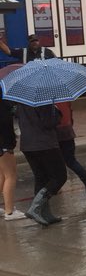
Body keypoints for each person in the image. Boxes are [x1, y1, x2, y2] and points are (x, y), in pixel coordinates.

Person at [17, 102, 67, 225]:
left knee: (41, 178)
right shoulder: (42, 99)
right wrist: (57, 112)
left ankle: (45, 214)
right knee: (59, 176)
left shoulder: (22, 99)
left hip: (28, 144)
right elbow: (49, 122)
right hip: (44, 144)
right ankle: (35, 207)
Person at [56, 100, 86, 197]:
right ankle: (85, 176)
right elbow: (70, 111)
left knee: (54, 162)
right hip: (68, 131)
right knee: (71, 160)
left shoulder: (45, 98)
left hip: (55, 133)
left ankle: (54, 186)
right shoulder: (64, 96)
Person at [0, 88, 26, 220]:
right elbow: (5, 125)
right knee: (10, 175)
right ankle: (9, 211)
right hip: (4, 144)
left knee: (2, 175)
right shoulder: (3, 106)